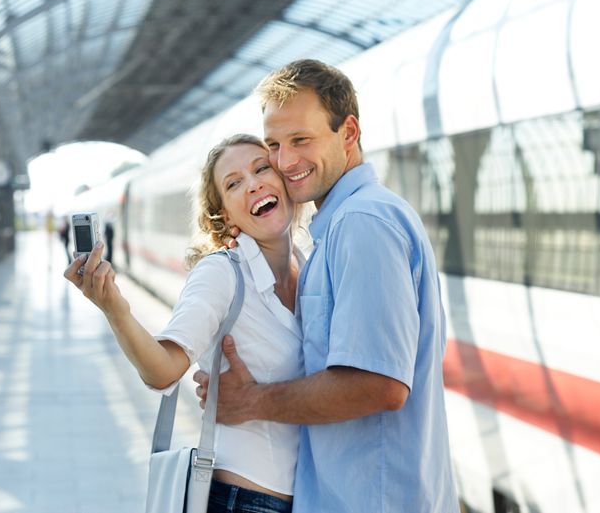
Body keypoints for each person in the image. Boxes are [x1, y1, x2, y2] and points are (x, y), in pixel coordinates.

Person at [193, 59, 459, 512]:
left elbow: (378, 384)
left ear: (348, 134)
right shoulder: (339, 227)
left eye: (301, 140)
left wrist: (251, 401)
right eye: (274, 144)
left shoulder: (361, 223)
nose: (285, 161)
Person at [63, 134, 305, 513]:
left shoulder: (310, 268)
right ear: (225, 215)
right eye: (234, 182)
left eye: (262, 168)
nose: (254, 182)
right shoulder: (222, 274)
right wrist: (115, 307)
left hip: (312, 498)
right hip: (247, 500)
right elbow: (163, 371)